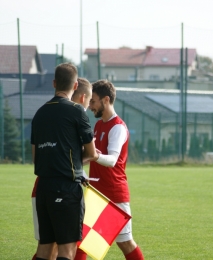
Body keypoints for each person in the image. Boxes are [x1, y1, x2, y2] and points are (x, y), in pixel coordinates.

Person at [31, 64, 99, 260]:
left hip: (43, 188)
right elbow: (92, 153)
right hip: (67, 189)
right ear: (76, 85)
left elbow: (36, 158)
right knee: (67, 251)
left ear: (54, 83)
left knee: (44, 249)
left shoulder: (39, 113)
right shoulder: (77, 111)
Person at [88, 79, 145, 260]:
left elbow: (112, 160)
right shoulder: (98, 125)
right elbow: (93, 155)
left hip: (113, 193)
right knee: (83, 241)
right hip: (97, 191)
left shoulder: (118, 127)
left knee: (126, 242)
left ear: (106, 100)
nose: (90, 106)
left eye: (93, 101)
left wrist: (94, 155)